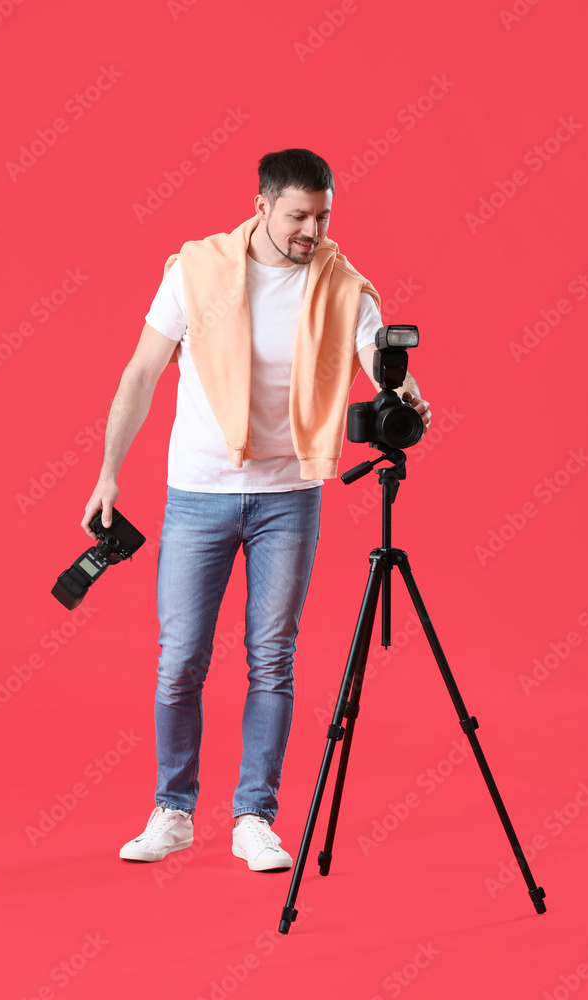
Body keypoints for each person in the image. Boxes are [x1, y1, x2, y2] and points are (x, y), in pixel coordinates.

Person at [81, 148, 431, 872]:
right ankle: (173, 812)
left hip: (288, 497)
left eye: (323, 215)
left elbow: (381, 364)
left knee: (271, 660)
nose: (311, 229)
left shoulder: (343, 287)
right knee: (180, 661)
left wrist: (406, 396)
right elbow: (142, 371)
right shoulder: (196, 272)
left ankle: (253, 817)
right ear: (262, 205)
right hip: (199, 494)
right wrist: (107, 475)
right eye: (298, 215)